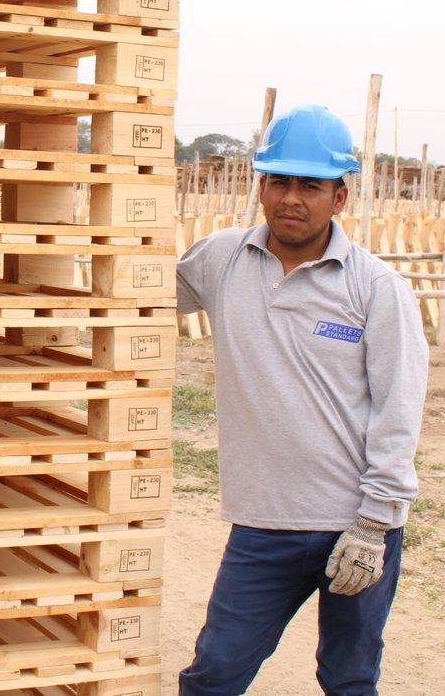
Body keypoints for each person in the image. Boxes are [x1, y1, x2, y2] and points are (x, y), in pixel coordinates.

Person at [174, 104, 428, 696]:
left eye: (310, 186)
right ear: (261, 186)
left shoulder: (376, 289)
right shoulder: (222, 259)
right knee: (214, 673)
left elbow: (399, 410)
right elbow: (133, 296)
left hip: (355, 526)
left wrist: (375, 524)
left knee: (349, 678)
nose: (292, 198)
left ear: (339, 198)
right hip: (264, 523)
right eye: (279, 182)